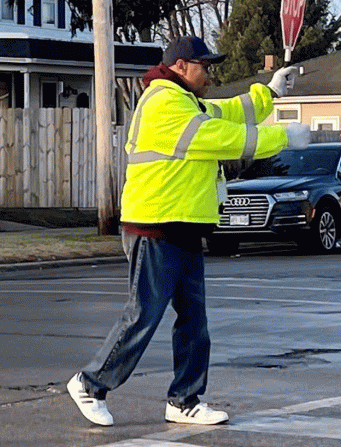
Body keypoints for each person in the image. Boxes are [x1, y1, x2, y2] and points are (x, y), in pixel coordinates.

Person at [67, 36, 310, 426]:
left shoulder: (186, 101)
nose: (210, 74)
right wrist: (283, 137)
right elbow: (220, 137)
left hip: (182, 225)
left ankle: (184, 400)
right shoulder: (164, 103)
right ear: (181, 66)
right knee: (144, 315)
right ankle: (90, 384)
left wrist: (270, 92)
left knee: (194, 321)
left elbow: (229, 112)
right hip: (155, 225)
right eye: (205, 66)